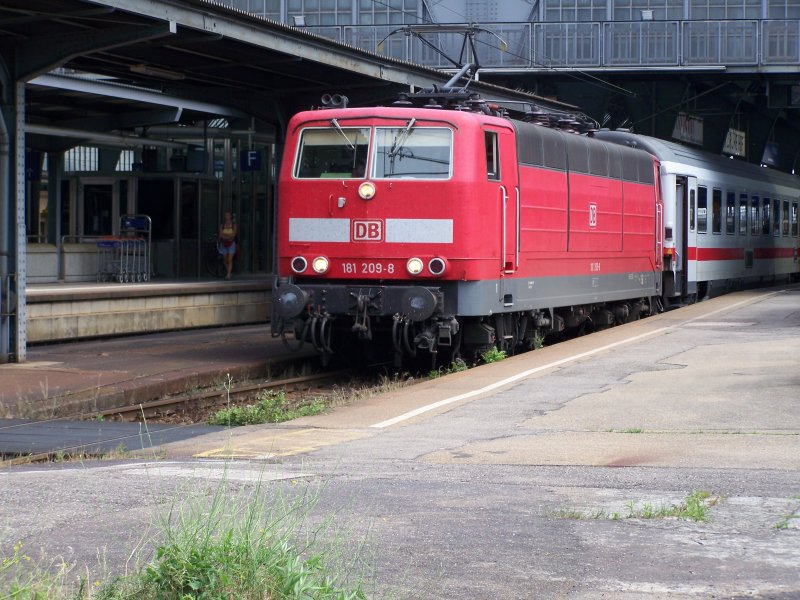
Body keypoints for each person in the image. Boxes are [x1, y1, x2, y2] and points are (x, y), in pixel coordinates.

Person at [218, 211, 237, 280]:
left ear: (230, 216)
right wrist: (228, 236)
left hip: (231, 244)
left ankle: (228, 275)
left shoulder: (233, 224)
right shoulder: (222, 225)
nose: (227, 216)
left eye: (228, 215)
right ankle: (229, 272)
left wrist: (225, 235)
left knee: (230, 259)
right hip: (224, 243)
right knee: (225, 259)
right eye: (226, 215)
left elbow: (234, 234)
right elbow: (220, 235)